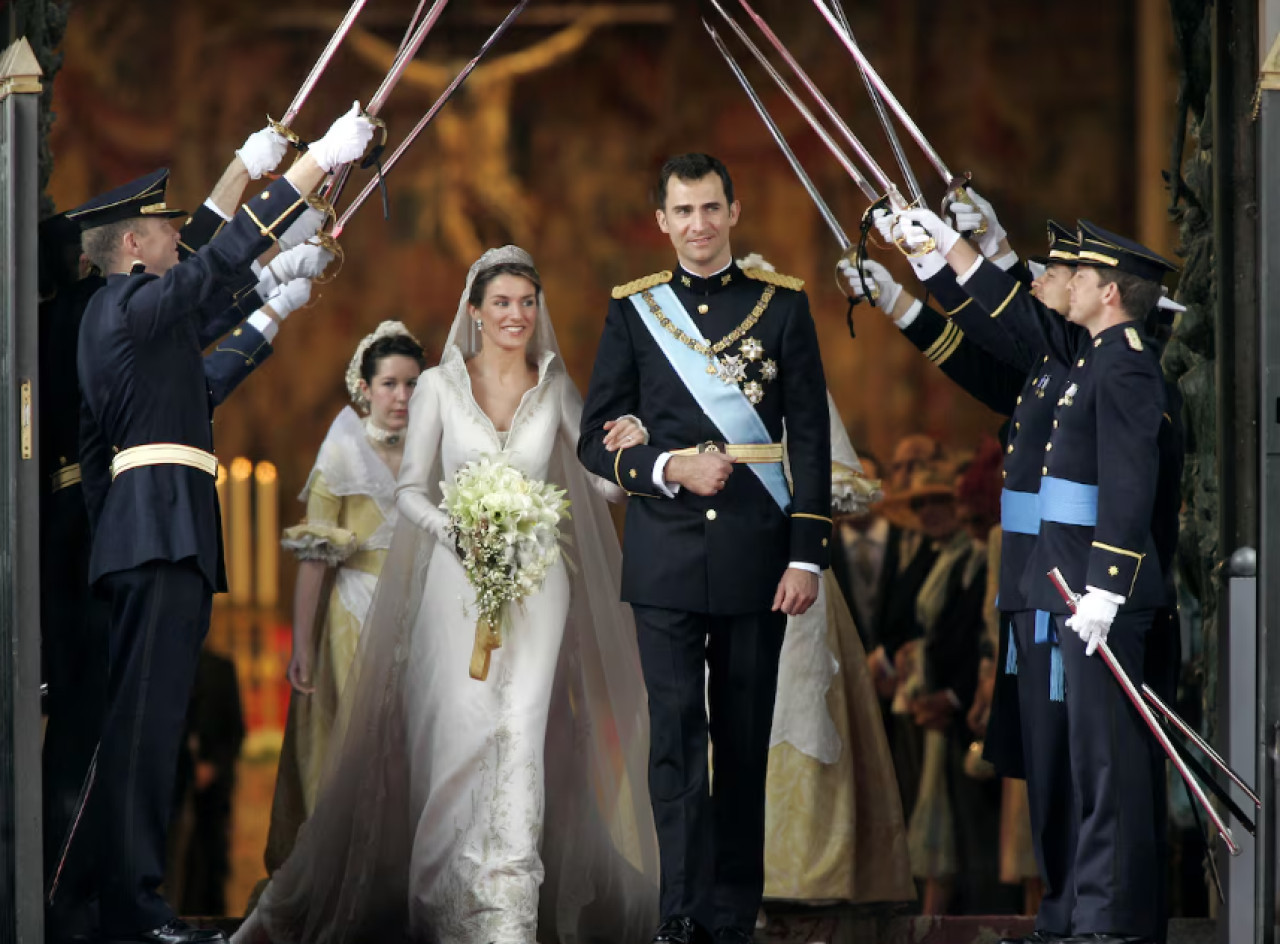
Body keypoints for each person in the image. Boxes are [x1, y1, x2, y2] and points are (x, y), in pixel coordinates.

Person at [235, 246, 658, 944]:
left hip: (536, 580)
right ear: (474, 310)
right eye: (502, 303)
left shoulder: (553, 385)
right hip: (452, 582)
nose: (517, 315)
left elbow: (601, 483)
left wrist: (632, 440)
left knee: (519, 730)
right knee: (456, 736)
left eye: (527, 301)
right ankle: (443, 901)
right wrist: (457, 535)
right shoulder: (436, 386)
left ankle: (507, 913)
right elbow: (409, 490)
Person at [69, 103, 374, 944]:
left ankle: (131, 900)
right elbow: (213, 267)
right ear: (134, 246)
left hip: (159, 530)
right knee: (144, 729)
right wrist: (312, 167)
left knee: (152, 724)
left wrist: (273, 281)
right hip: (159, 532)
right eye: (162, 229)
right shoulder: (125, 310)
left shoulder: (130, 320)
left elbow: (208, 306)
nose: (176, 236)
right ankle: (133, 908)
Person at [891, 206, 1178, 944]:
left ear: (1109, 292)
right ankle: (1079, 913)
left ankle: (1108, 920)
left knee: (1105, 766)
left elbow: (1128, 482)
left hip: (1097, 592)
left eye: (1077, 273)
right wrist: (940, 260)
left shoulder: (1126, 365)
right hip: (1065, 584)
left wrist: (1108, 585)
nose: (1066, 282)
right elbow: (1016, 326)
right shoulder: (1091, 358)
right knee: (1076, 762)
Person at [577, 152, 832, 944]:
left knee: (745, 740)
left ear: (734, 210)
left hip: (760, 556)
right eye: (683, 212)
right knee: (676, 741)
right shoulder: (635, 311)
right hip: (665, 560)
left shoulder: (782, 307)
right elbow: (595, 440)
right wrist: (666, 465)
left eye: (711, 208)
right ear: (662, 221)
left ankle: (731, 913)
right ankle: (681, 914)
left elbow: (812, 440)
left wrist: (806, 555)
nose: (698, 225)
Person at [261, 322, 426, 877]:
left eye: (411, 385)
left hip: (425, 616)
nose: (401, 397)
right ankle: (355, 873)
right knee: (357, 742)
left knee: (419, 740)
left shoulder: (437, 447)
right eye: (390, 385)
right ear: (365, 386)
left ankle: (410, 872)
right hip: (353, 614)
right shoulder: (342, 449)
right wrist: (301, 643)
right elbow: (315, 558)